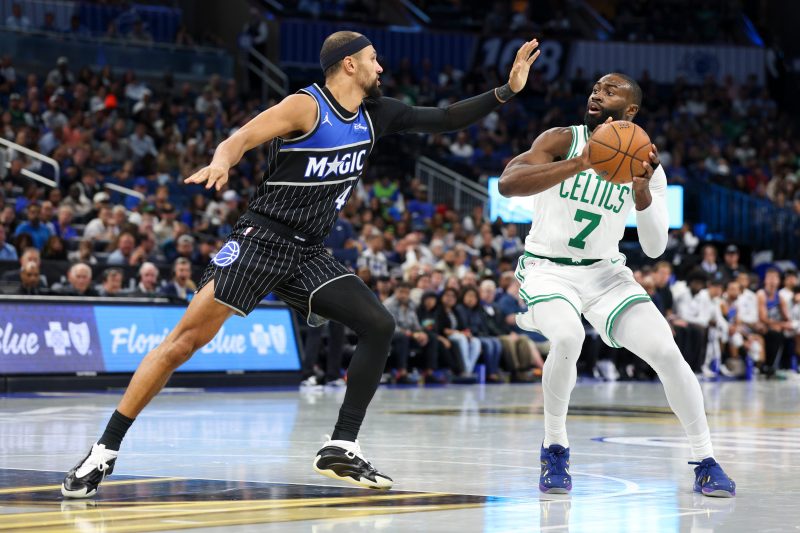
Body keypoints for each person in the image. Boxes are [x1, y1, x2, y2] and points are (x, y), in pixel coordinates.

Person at [62, 30, 541, 497]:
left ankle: (341, 444)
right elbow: (240, 138)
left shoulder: (377, 114)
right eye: (373, 59)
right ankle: (104, 449)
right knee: (182, 344)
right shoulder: (305, 106)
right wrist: (222, 161)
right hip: (262, 240)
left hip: (308, 251)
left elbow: (445, 118)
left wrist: (505, 91)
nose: (381, 67)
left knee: (379, 324)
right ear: (349, 64)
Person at [499, 72, 734, 497]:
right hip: (549, 268)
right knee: (568, 337)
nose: (596, 94)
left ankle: (706, 459)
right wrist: (580, 163)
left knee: (667, 351)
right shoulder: (562, 139)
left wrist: (642, 193)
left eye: (609, 92)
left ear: (630, 110)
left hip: (606, 274)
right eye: (595, 88)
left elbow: (655, 247)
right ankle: (555, 447)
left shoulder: (646, 162)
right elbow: (507, 184)